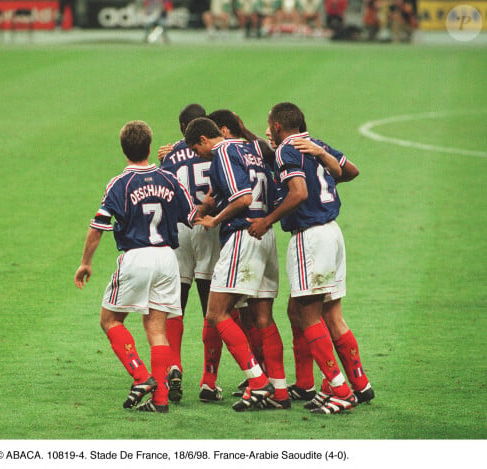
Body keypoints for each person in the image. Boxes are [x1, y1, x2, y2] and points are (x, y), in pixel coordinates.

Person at [249, 102, 369, 414]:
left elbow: (299, 193)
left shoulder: (286, 150)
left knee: (309, 316)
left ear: (277, 126)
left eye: (268, 124)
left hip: (310, 237)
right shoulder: (314, 144)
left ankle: (340, 389)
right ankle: (356, 382)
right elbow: (351, 170)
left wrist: (267, 221)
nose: (266, 130)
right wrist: (324, 164)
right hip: (333, 233)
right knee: (325, 313)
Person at [74, 120, 197, 413]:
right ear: (150, 147)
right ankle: (161, 399)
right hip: (169, 258)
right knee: (157, 329)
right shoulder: (169, 179)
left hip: (137, 257)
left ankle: (141, 376)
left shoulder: (119, 183)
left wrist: (85, 263)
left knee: (110, 320)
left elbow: (98, 226)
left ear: (123, 149)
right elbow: (190, 215)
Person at [185, 117, 289, 411]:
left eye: (196, 149)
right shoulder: (251, 148)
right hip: (265, 236)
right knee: (263, 317)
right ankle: (279, 391)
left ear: (205, 139)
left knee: (217, 313)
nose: (198, 156)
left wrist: (215, 220)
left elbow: (243, 198)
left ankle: (258, 381)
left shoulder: (224, 152)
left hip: (244, 235)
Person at [158, 104, 225, 404]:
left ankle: (173, 364)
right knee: (211, 305)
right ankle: (209, 381)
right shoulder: (217, 152)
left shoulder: (171, 156)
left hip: (180, 228)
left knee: (175, 302)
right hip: (209, 226)